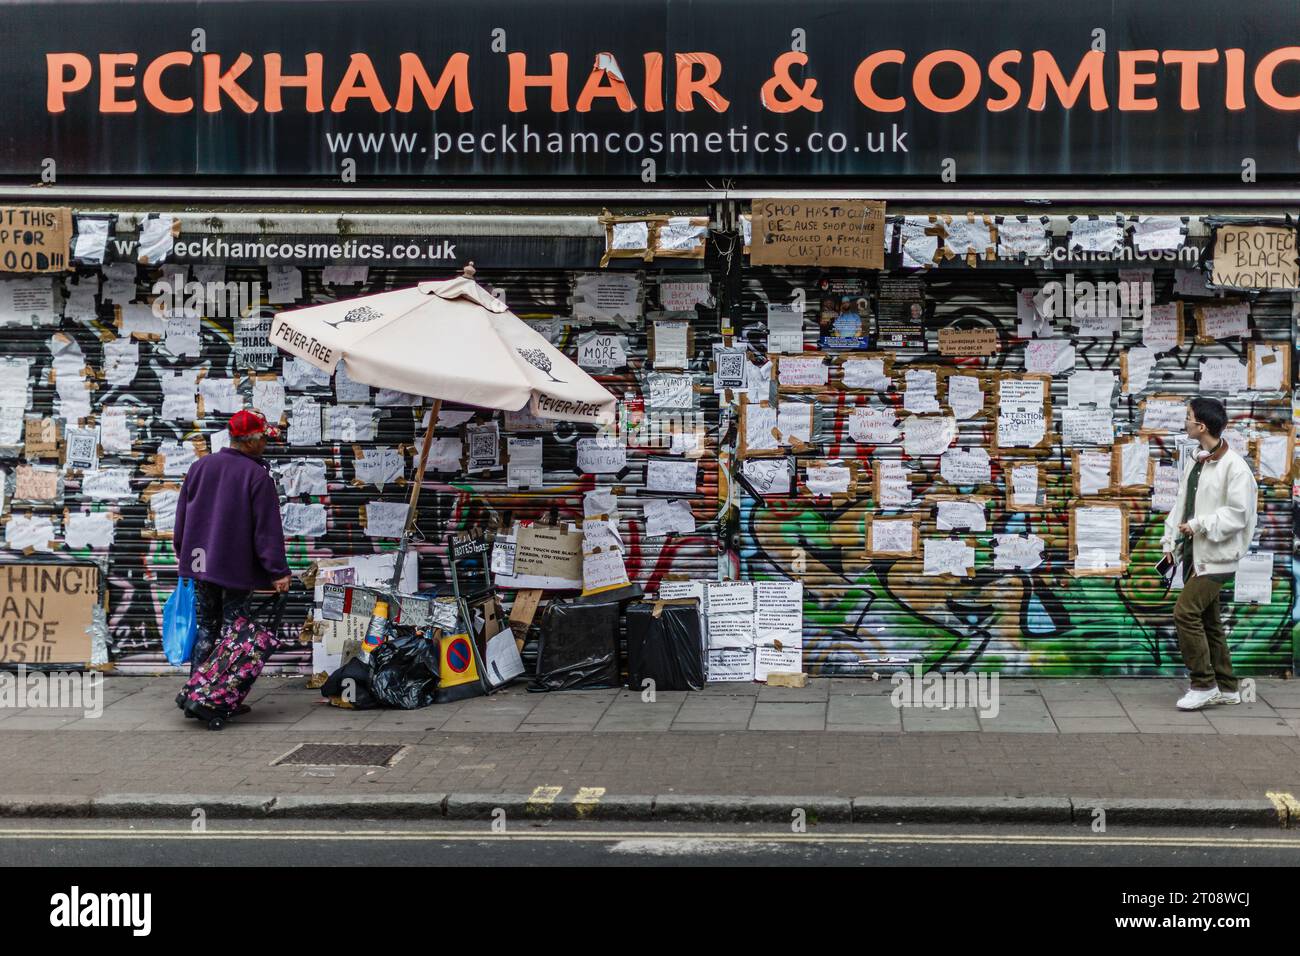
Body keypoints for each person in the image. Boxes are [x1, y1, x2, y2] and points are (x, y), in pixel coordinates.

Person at [174, 409, 291, 680]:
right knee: (234, 631)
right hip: (234, 567)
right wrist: (278, 572)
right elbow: (267, 531)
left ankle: (196, 689)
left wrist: (185, 557)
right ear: (250, 441)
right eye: (263, 438)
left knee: (206, 627)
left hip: (201, 564)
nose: (266, 444)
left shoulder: (200, 467)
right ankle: (220, 697)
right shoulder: (256, 476)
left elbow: (182, 517)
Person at [1161, 397, 1258, 711]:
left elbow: (1238, 515)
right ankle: (1228, 687)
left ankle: (1203, 684)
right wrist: (1170, 542)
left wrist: (1199, 524)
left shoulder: (1236, 469)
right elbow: (1181, 503)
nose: (1185, 421)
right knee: (1209, 621)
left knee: (1185, 613)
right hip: (1196, 553)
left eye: (1188, 417)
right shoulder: (1197, 459)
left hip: (1219, 557)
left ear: (1201, 426)